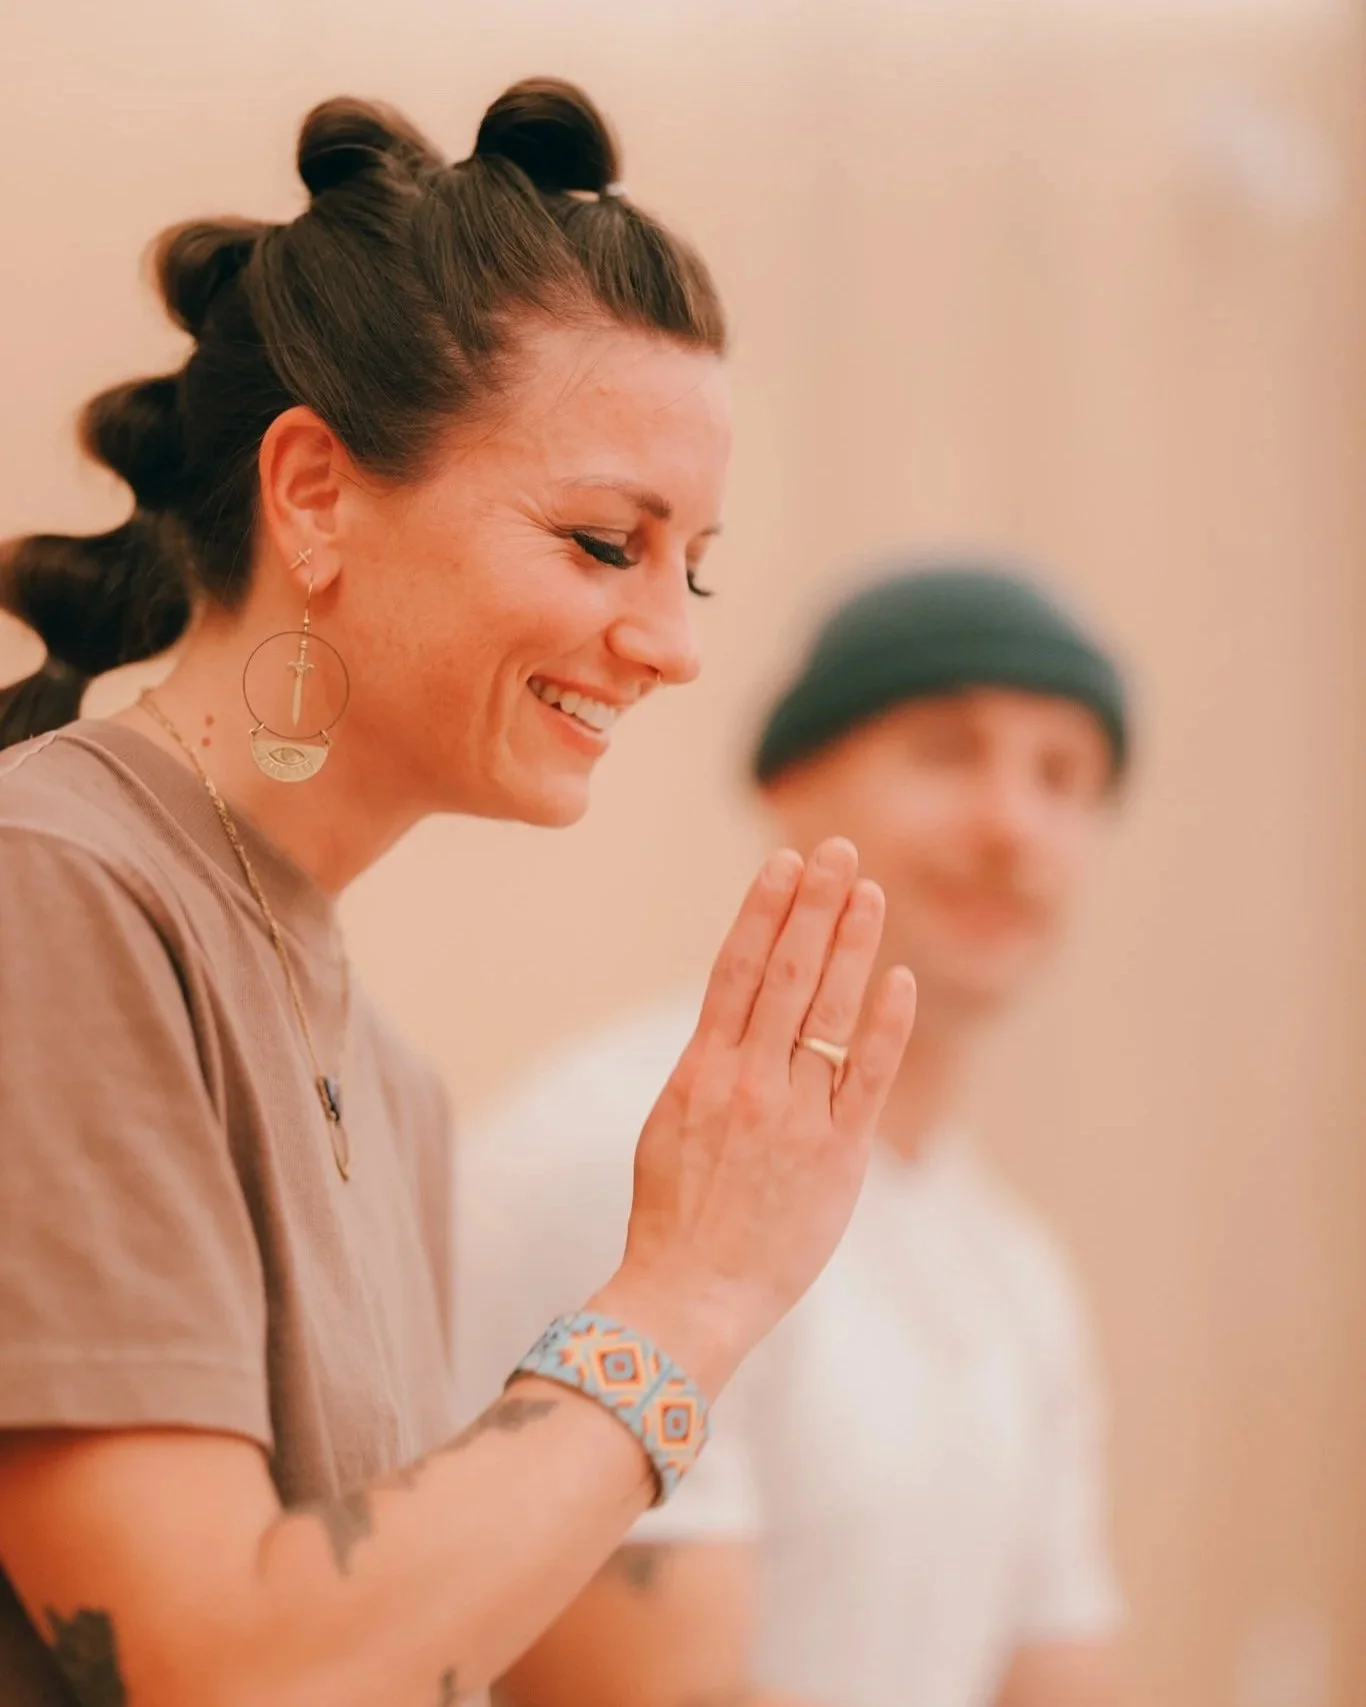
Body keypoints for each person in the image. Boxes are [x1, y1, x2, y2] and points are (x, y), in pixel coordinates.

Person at [0, 80, 919, 1707]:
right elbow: (212, 1662)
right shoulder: (53, 892)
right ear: (312, 493)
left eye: (689, 562)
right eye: (600, 542)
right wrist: (688, 1292)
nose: (676, 640)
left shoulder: (399, 1089)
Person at [455, 561, 1133, 1707]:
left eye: (1062, 777)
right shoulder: (626, 1157)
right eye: (945, 751)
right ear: (790, 787)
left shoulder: (1017, 1271)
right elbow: (643, 1695)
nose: (1012, 825)